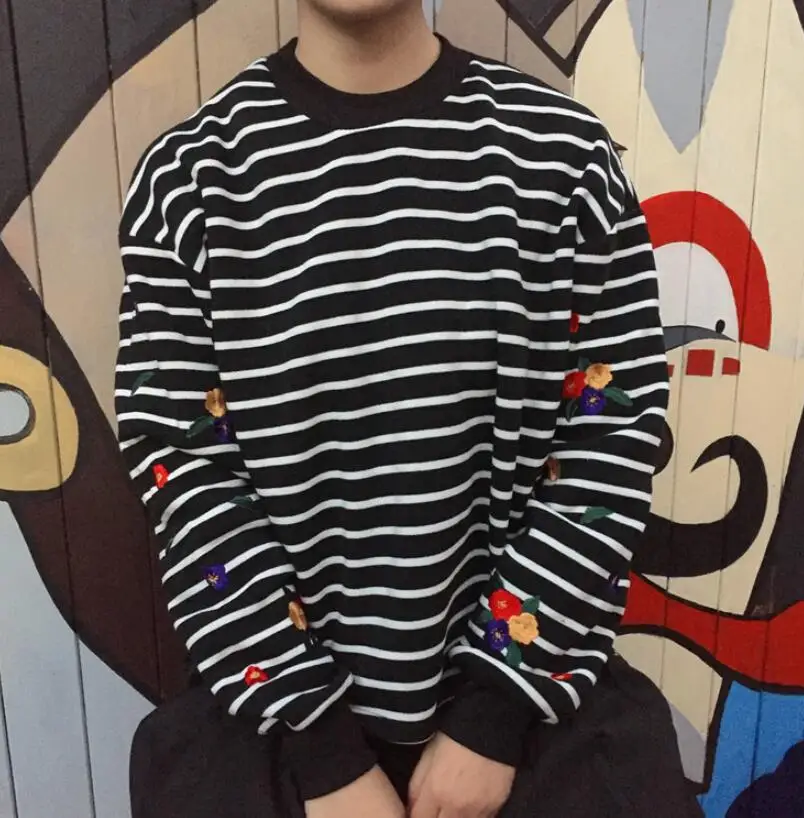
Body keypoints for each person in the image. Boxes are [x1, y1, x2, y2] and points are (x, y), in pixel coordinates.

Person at [116, 1, 702, 816]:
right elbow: (185, 474)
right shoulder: (189, 182)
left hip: (536, 729)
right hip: (273, 742)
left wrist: (496, 710)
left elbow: (611, 442)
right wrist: (318, 749)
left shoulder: (564, 158)